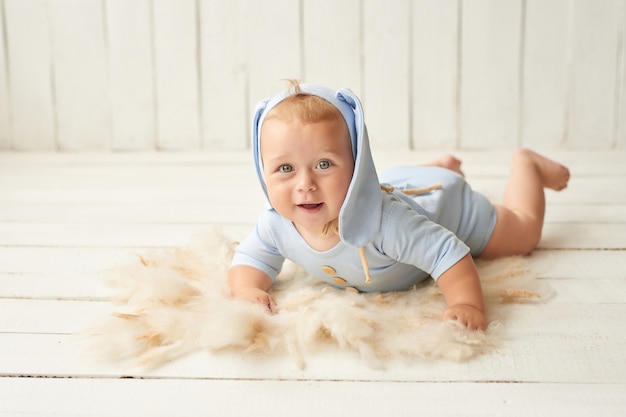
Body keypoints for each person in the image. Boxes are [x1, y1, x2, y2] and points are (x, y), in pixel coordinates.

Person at [228, 81, 570, 331]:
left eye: (324, 164)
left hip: (447, 205)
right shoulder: (276, 224)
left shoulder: (385, 223)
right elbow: (251, 258)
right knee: (401, 182)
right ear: (263, 171)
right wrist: (247, 289)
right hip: (402, 181)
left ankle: (527, 166)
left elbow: (447, 253)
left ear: (358, 166)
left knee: (524, 233)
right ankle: (439, 166)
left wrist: (466, 303)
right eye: (285, 169)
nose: (305, 184)